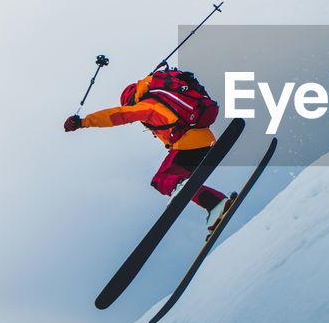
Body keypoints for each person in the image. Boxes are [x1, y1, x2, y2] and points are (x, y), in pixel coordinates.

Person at [64, 70, 233, 230]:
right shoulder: (165, 100)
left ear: (131, 100)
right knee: (179, 180)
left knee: (163, 180)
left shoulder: (147, 106)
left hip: (189, 142)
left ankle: (185, 191)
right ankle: (217, 204)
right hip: (204, 140)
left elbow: (118, 115)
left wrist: (83, 122)